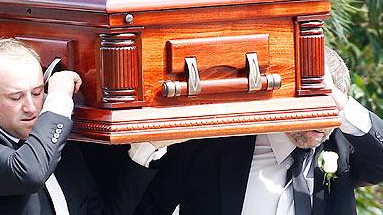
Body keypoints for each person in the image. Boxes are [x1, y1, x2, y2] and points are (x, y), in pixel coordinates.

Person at [135, 47, 383, 215]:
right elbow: (150, 204)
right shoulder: (217, 144)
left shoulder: (343, 146)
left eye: (332, 110)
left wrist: (340, 104)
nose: (322, 122)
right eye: (313, 107)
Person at [0, 38, 160, 215]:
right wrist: (59, 100)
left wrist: (144, 150)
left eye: (37, 93)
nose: (30, 107)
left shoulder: (59, 145)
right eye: (15, 97)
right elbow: (30, 172)